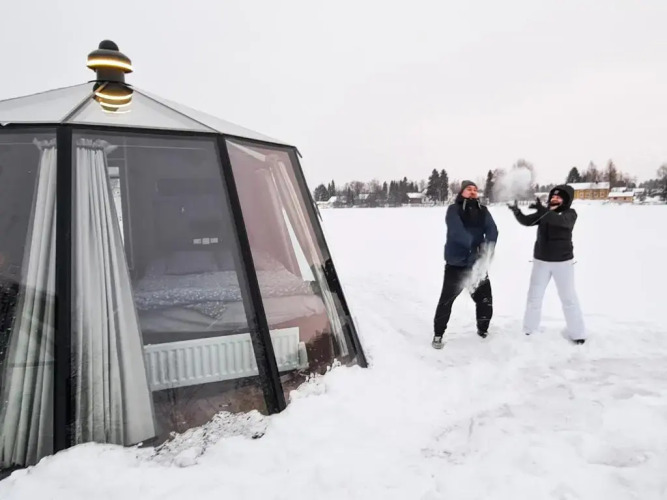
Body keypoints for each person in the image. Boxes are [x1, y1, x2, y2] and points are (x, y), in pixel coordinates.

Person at [507, 185, 586, 344]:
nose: (554, 199)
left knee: (568, 298)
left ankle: (578, 333)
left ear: (566, 200)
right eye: (553, 196)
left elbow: (560, 222)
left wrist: (543, 210)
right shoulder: (545, 213)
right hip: (541, 262)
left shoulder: (570, 214)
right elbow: (527, 221)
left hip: (563, 263)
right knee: (534, 297)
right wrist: (516, 211)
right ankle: (529, 330)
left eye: (559, 197)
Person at [432, 181, 498, 349]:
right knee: (447, 300)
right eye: (469, 189)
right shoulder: (453, 210)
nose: (473, 191)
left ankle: (483, 330)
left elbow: (492, 230)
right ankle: (438, 334)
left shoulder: (483, 211)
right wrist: (473, 246)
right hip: (457, 263)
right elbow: (456, 231)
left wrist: (488, 247)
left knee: (485, 300)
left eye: (475, 189)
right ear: (462, 192)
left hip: (477, 264)